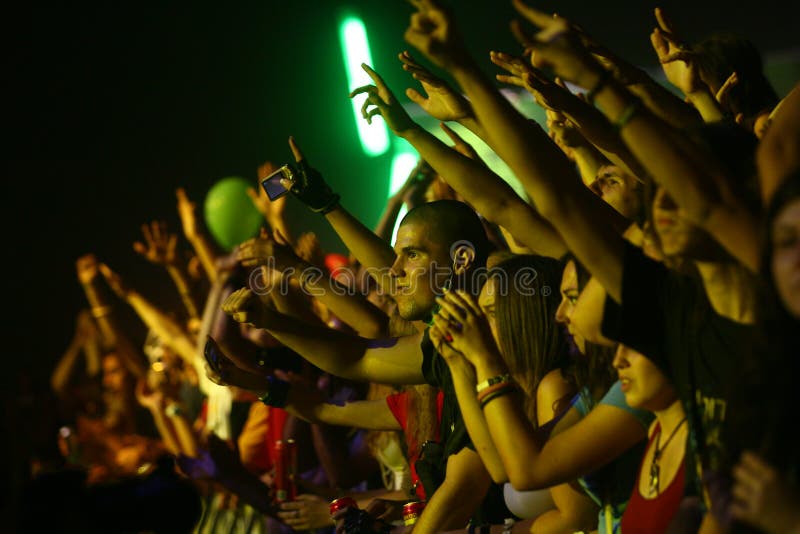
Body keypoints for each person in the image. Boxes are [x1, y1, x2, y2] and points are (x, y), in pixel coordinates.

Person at [223, 142, 505, 529]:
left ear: (461, 261)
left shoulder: (493, 343)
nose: (394, 272)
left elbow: (366, 334)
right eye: (398, 257)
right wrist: (266, 325)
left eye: (412, 256)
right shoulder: (439, 354)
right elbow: (351, 361)